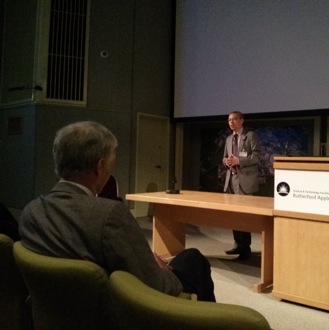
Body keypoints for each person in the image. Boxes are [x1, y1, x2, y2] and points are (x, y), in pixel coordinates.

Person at [19, 121, 215, 302]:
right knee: (193, 260)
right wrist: (163, 271)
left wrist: (143, 257)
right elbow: (157, 285)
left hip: (59, 312)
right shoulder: (110, 215)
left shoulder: (31, 212)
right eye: (111, 166)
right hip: (114, 314)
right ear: (100, 166)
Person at [223, 111, 261, 260]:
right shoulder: (228, 139)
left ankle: (246, 249)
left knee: (244, 217)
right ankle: (237, 245)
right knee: (234, 216)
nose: (231, 122)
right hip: (231, 181)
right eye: (229, 120)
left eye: (234, 119)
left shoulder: (250, 136)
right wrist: (226, 162)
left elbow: (257, 157)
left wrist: (239, 161)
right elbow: (224, 158)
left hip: (246, 182)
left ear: (241, 121)